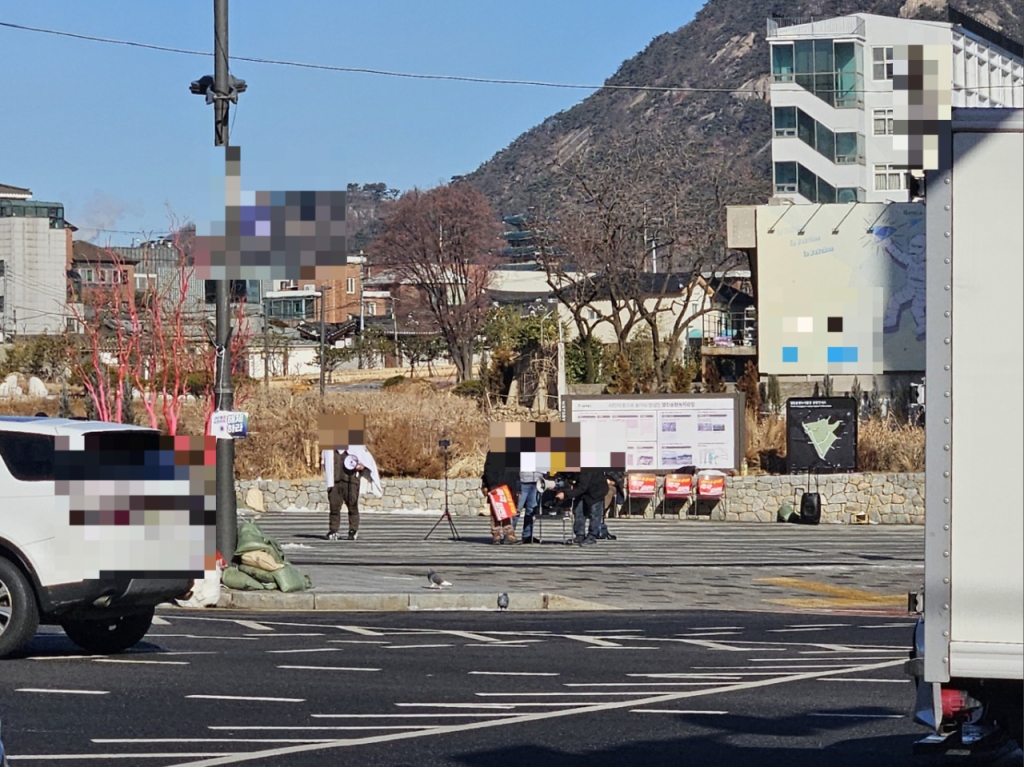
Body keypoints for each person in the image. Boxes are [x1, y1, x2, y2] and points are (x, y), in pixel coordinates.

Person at [322, 445, 381, 541]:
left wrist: (361, 466)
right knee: (334, 507)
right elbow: (324, 461)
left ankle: (353, 530)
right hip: (335, 481)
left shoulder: (356, 445)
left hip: (351, 481)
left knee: (352, 506)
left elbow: (367, 462)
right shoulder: (329, 447)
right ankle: (333, 530)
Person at [555, 468, 608, 546]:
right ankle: (579, 535)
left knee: (594, 514)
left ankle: (592, 536)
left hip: (596, 491)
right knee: (578, 511)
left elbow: (582, 487)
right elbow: (565, 476)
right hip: (583, 492)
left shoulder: (586, 470)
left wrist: (565, 494)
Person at [481, 449, 519, 545]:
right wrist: (492, 485)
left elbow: (516, 473)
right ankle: (496, 534)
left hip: (508, 487)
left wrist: (517, 488)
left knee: (507, 511)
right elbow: (488, 470)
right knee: (495, 512)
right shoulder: (493, 452)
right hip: (495, 487)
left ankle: (508, 534)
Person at [516, 468, 542, 543]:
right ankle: (510, 534)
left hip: (537, 482)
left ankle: (527, 535)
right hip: (522, 481)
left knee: (531, 510)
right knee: (517, 509)